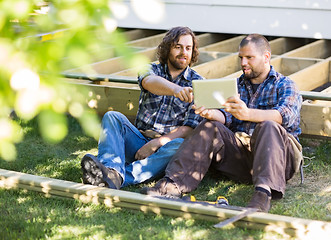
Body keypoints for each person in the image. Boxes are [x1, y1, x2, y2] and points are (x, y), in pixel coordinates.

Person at [141, 34, 303, 212]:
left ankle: (263, 194)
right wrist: (210, 113)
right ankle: (172, 185)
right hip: (244, 159)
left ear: (266, 57)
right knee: (209, 126)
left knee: (269, 125)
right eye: (241, 58)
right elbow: (226, 116)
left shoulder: (285, 85)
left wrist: (248, 114)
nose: (243, 63)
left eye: (249, 58)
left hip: (277, 160)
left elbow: (284, 115)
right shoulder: (236, 86)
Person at [81, 26, 204, 189]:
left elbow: (189, 129)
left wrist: (155, 144)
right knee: (112, 117)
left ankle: (116, 176)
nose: (184, 52)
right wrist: (176, 90)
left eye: (188, 48)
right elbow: (148, 82)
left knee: (180, 145)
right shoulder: (151, 69)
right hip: (137, 140)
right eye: (178, 47)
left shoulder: (198, 83)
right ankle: (111, 169)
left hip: (164, 149)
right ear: (168, 48)